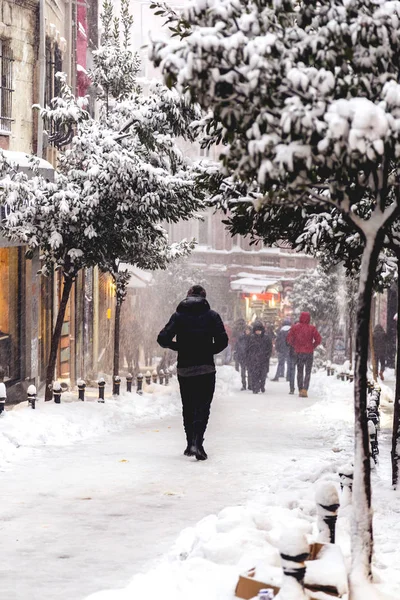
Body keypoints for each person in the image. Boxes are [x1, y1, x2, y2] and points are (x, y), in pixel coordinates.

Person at [157, 285, 228, 461]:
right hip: (206, 368)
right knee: (203, 406)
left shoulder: (179, 316)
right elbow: (223, 341)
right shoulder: (212, 316)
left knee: (188, 406)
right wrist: (208, 350)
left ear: (187, 297)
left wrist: (180, 346)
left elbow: (162, 338)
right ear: (204, 298)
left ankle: (190, 443)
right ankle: (198, 442)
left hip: (185, 369)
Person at [287, 312, 321, 398]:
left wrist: (295, 346)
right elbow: (318, 339)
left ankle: (300, 389)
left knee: (300, 371)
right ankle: (305, 389)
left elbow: (289, 339)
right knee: (308, 372)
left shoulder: (295, 328)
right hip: (309, 353)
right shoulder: (312, 328)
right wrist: (313, 346)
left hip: (299, 353)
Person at [247, 321, 273, 394]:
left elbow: (269, 348)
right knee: (254, 374)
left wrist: (267, 355)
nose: (258, 332)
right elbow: (248, 348)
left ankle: (262, 385)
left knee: (263, 374)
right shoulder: (251, 338)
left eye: (259, 330)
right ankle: (255, 387)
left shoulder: (266, 338)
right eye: (257, 330)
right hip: (254, 359)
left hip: (263, 359)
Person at [234, 325, 252, 390]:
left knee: (250, 372)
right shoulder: (241, 338)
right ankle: (244, 385)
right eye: (246, 330)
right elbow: (237, 347)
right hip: (242, 357)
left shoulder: (252, 338)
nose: (247, 331)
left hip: (249, 357)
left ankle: (250, 385)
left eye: (248, 330)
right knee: (243, 372)